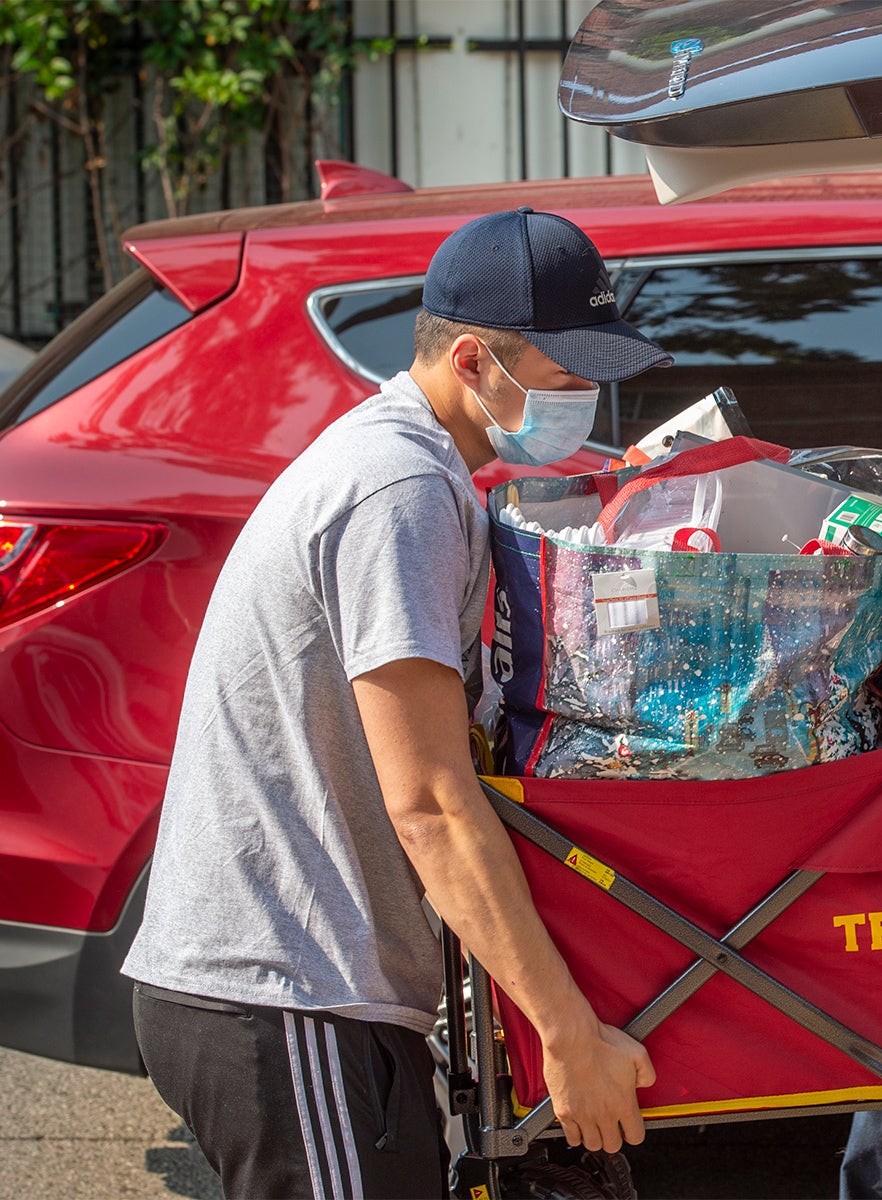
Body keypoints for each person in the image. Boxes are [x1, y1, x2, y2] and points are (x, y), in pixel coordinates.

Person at [121, 206, 671, 1200]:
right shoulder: (398, 493)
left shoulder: (413, 469)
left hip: (300, 992)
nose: (586, 402)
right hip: (286, 991)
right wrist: (565, 1032)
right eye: (566, 378)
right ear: (472, 361)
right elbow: (429, 802)